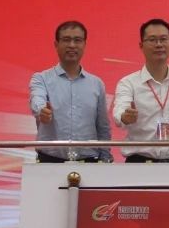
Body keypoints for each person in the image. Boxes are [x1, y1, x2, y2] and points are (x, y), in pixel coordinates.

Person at [112, 18, 169, 162]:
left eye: (163, 39)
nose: (159, 44)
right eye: (152, 40)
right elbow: (120, 109)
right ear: (141, 45)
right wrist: (124, 117)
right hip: (140, 163)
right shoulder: (128, 83)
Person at [28, 20, 112, 162]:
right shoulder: (41, 79)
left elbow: (103, 126)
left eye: (77, 40)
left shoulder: (97, 84)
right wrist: (41, 111)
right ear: (56, 44)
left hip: (89, 161)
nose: (72, 45)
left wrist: (105, 158)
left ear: (84, 45)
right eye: (66, 40)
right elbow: (37, 100)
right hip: (50, 161)